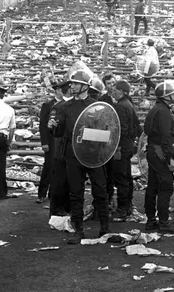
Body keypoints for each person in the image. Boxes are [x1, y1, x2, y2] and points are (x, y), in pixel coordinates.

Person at [50, 70, 110, 243]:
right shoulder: (63, 107)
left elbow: (105, 132)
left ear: (85, 86)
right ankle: (78, 230)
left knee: (100, 191)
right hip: (73, 156)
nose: (72, 86)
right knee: (76, 193)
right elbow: (59, 133)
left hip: (93, 155)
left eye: (75, 83)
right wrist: (53, 126)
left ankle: (104, 227)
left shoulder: (96, 106)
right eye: (72, 83)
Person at [143, 81, 174, 233]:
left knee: (152, 187)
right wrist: (170, 157)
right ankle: (164, 222)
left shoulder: (155, 109)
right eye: (172, 94)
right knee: (165, 187)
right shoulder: (164, 112)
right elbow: (166, 138)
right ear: (167, 96)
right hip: (160, 152)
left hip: (152, 150)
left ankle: (151, 220)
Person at [110, 80, 141, 218]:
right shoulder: (129, 104)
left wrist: (117, 148)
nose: (113, 92)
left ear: (122, 91)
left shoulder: (120, 106)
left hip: (121, 147)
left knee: (121, 178)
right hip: (128, 145)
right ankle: (127, 206)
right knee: (126, 177)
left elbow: (121, 129)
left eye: (115, 90)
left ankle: (122, 209)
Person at [36, 78, 65, 204]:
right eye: (59, 89)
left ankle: (52, 193)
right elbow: (43, 125)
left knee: (58, 168)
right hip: (51, 140)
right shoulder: (48, 105)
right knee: (48, 166)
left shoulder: (66, 104)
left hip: (61, 141)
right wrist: (44, 142)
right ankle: (41, 193)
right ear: (56, 91)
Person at [48, 79, 72, 217]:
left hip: (69, 148)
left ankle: (66, 206)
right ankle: (57, 209)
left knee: (69, 181)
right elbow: (52, 127)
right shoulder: (60, 106)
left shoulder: (71, 105)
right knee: (59, 180)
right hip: (60, 148)